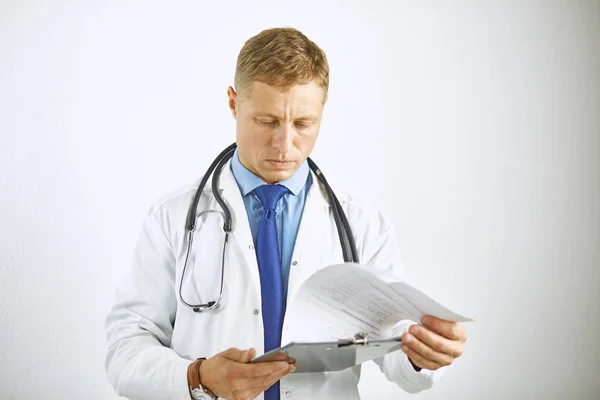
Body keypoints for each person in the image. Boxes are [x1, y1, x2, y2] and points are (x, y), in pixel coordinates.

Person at [104, 27, 468, 400]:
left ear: (322, 111)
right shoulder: (172, 218)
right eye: (267, 121)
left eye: (303, 124)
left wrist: (422, 353)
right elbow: (124, 349)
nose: (284, 144)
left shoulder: (363, 226)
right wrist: (197, 376)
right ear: (233, 103)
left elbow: (399, 359)